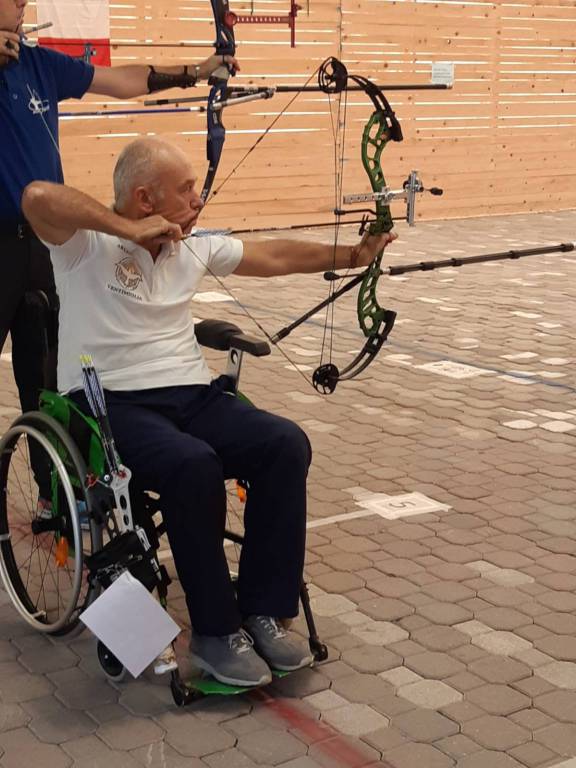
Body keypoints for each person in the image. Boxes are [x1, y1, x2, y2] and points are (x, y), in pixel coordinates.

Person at [21, 136, 397, 687]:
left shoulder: (192, 245)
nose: (198, 198)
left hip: (190, 396)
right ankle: (216, 632)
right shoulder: (83, 245)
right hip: (109, 404)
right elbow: (35, 196)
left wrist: (353, 256)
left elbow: (272, 255)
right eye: (187, 189)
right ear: (145, 199)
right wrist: (125, 231)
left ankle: (263, 611)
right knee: (192, 465)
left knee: (284, 444)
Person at [0, 0, 238, 505]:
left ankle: (53, 495)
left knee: (44, 372)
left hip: (44, 242)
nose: (23, 2)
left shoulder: (39, 63)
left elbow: (117, 80)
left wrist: (195, 73)